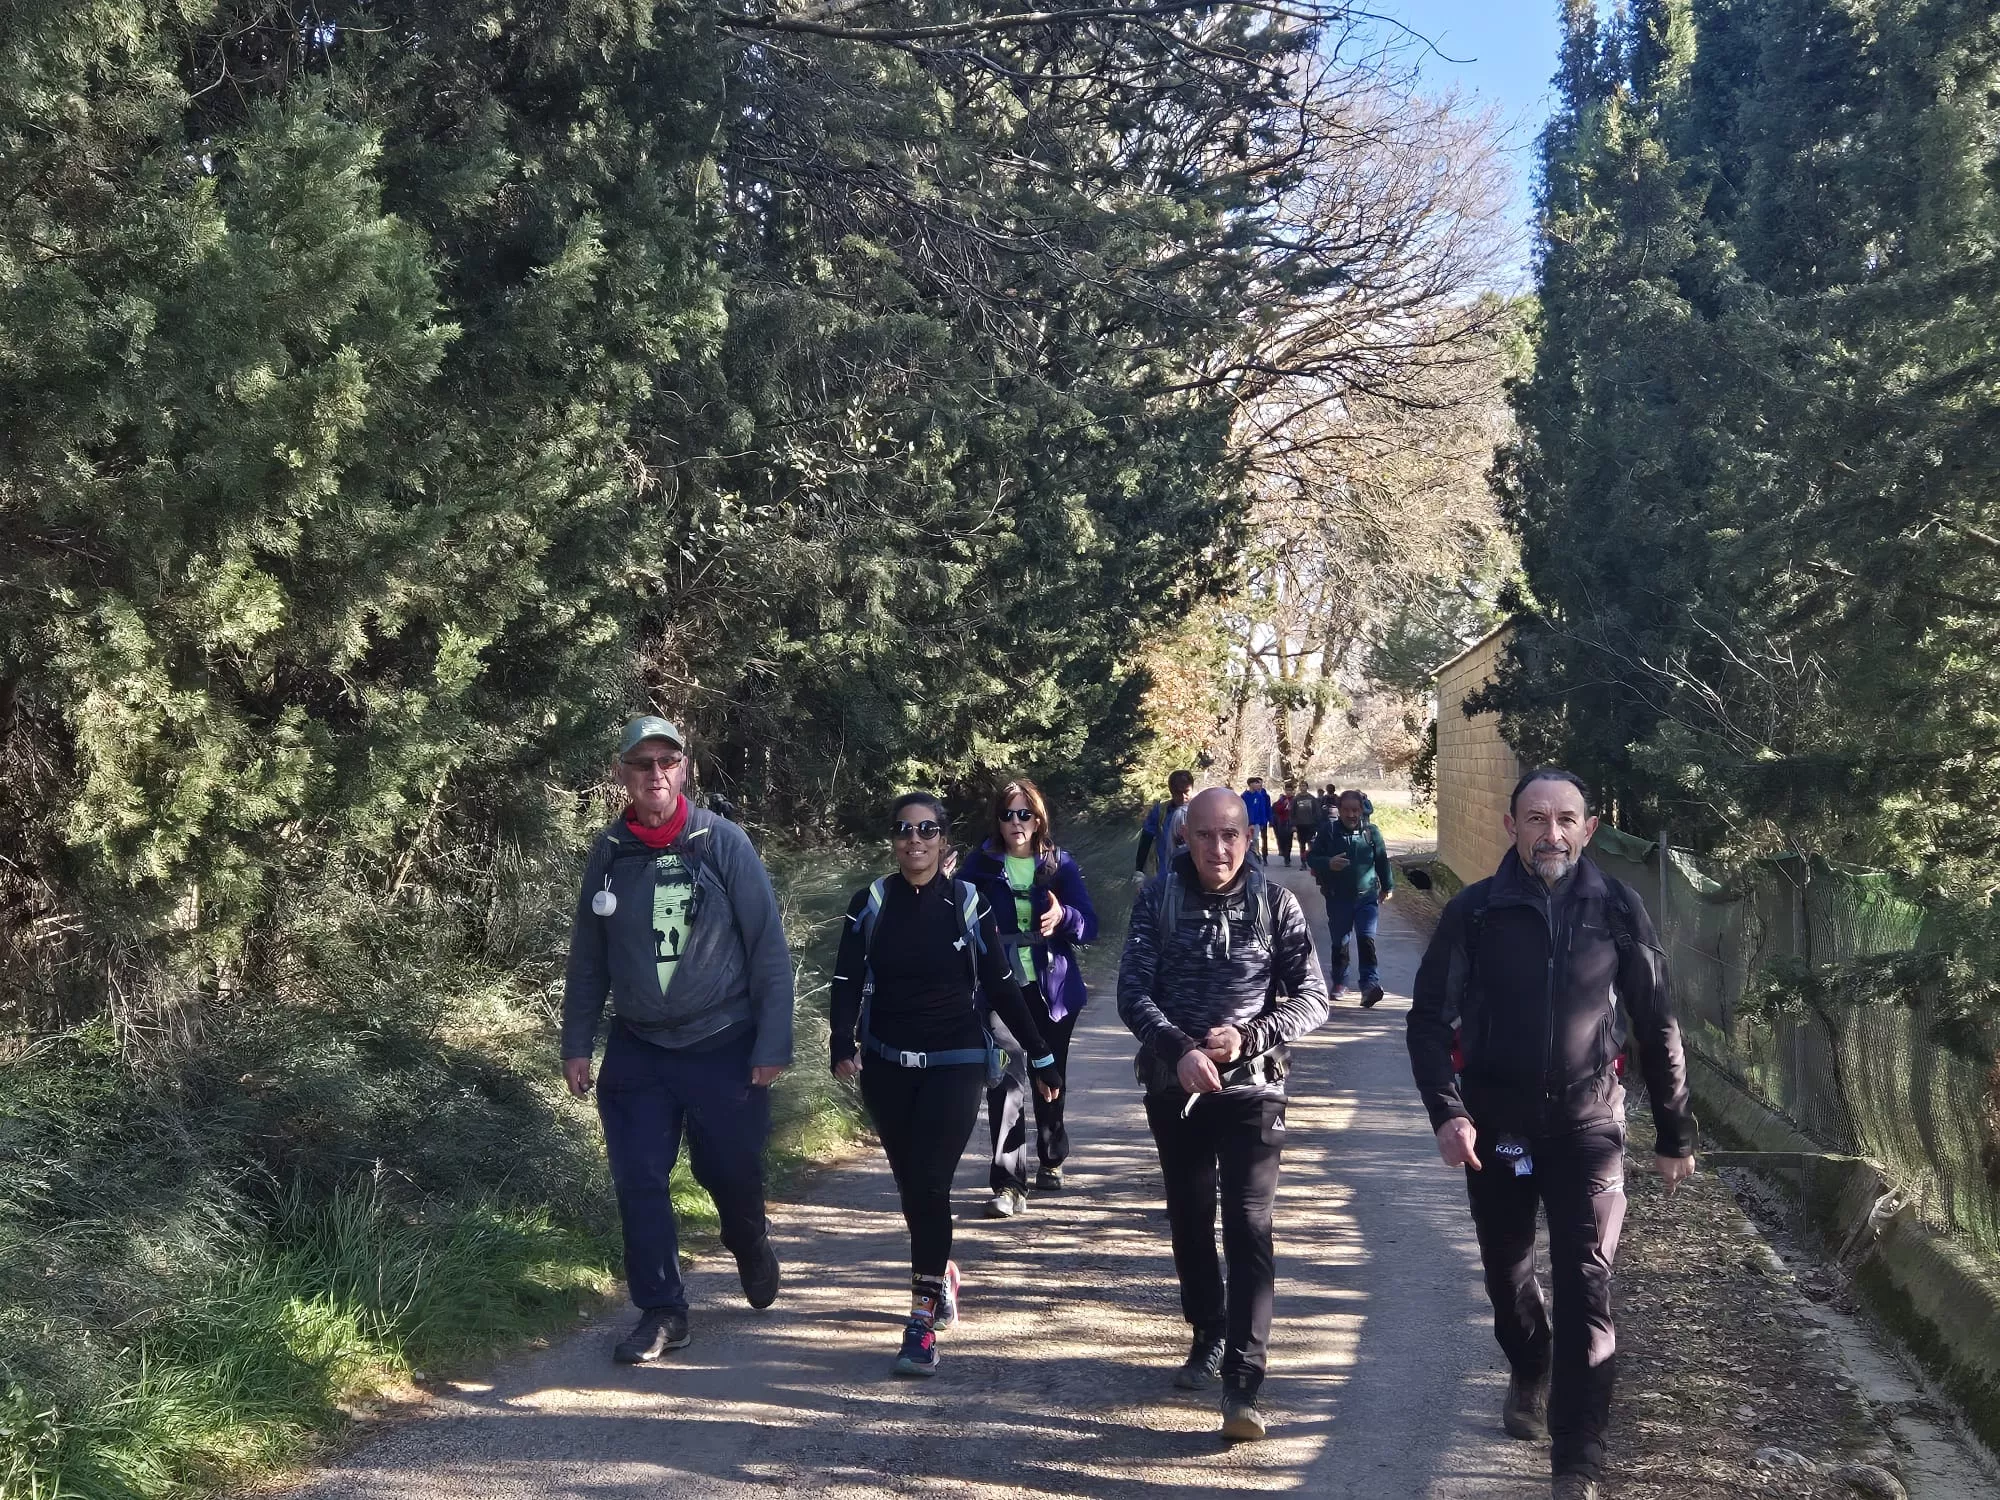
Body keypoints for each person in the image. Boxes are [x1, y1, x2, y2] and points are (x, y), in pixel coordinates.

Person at [1406, 768, 1697, 1500]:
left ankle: (1578, 1463)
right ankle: (1528, 1362)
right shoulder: (1475, 913)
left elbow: (1656, 1020)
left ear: (1589, 828)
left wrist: (1674, 1130)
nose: (1552, 834)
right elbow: (1427, 1023)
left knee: (1587, 1285)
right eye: (1536, 819)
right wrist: (1449, 1112)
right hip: (1497, 1127)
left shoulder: (1618, 910)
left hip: (1588, 1124)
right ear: (1511, 826)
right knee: (1508, 1281)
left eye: (1567, 819)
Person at [562, 715, 796, 1363]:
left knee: (730, 1171)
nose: (654, 774)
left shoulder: (723, 844)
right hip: (639, 1046)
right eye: (642, 764)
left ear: (684, 769)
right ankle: (663, 1310)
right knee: (638, 1177)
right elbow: (589, 957)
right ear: (622, 774)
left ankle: (747, 1238)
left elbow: (768, 950)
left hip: (724, 1041)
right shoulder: (610, 853)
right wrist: (576, 1041)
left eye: (667, 761)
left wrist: (771, 1044)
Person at [1117, 788, 1330, 1442]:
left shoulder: (1275, 904)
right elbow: (1131, 993)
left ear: (1249, 836)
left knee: (1248, 1223)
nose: (1219, 848)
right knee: (1189, 1216)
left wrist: (1251, 1037)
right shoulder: (1160, 899)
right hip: (1174, 1089)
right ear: (1186, 838)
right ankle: (1208, 1329)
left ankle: (1243, 1379)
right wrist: (1178, 1050)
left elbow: (1314, 997)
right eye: (1205, 836)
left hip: (1252, 1091)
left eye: (1230, 835)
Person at [829, 793, 1065, 1377]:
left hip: (956, 1060)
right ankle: (943, 1275)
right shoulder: (872, 903)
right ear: (894, 838)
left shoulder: (967, 903)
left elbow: (1002, 982)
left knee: (932, 1183)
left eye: (927, 830)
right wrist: (842, 1045)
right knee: (914, 1190)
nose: (916, 840)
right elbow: (845, 979)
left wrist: (1039, 1055)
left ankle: (921, 1321)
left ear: (943, 840)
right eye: (905, 830)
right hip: (887, 1064)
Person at [960, 779, 1100, 1216]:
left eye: (1025, 814)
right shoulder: (978, 866)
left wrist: (1064, 916)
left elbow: (1090, 927)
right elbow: (954, 912)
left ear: (1038, 819)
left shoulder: (1060, 866)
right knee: (1007, 1081)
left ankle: (1052, 1155)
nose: (1016, 823)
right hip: (1000, 990)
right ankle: (1009, 1185)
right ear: (997, 821)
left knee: (1049, 1076)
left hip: (1053, 987)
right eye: (1008, 815)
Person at [1306, 789, 1395, 1007]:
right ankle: (1339, 981)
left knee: (1367, 940)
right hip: (1338, 899)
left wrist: (1388, 886)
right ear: (1340, 810)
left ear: (1362, 809)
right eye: (1346, 810)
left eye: (1355, 810)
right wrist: (1328, 863)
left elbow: (1382, 860)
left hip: (1367, 898)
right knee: (1341, 942)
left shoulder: (1371, 832)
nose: (1351, 815)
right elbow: (1312, 858)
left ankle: (1369, 985)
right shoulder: (1328, 832)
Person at [1136, 769, 1196, 880]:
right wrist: (1139, 870)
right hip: (1164, 874)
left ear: (1192, 788)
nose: (1183, 797)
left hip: (1194, 873)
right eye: (1178, 793)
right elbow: (1146, 838)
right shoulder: (1160, 812)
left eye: (1186, 792)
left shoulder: (1201, 810)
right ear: (1171, 792)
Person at [1241, 776, 1273, 860]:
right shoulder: (1244, 796)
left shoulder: (1259, 796)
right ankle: (1246, 855)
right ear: (1250, 784)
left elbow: (1262, 809)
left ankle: (1256, 855)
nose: (1258, 785)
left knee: (1255, 838)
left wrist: (1263, 821)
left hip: (1257, 822)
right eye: (1256, 783)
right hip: (1247, 822)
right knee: (1247, 839)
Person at [1289, 782, 1322, 855]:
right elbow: (1292, 812)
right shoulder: (1296, 799)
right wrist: (1293, 825)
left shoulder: (1311, 798)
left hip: (1310, 824)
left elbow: (1317, 811)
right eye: (1300, 786)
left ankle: (1311, 860)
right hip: (1300, 824)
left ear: (1307, 787)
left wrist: (1317, 823)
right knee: (1302, 844)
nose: (1302, 787)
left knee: (1311, 843)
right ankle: (1303, 861)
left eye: (1304, 786)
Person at [1272, 783, 1295, 867]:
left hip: (1290, 822)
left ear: (1292, 791)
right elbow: (1276, 809)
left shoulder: (1294, 800)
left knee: (1289, 841)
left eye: (1290, 790)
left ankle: (1287, 858)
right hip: (1282, 822)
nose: (1288, 792)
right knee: (1282, 839)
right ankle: (1282, 851)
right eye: (1287, 790)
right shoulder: (1281, 800)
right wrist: (1284, 805)